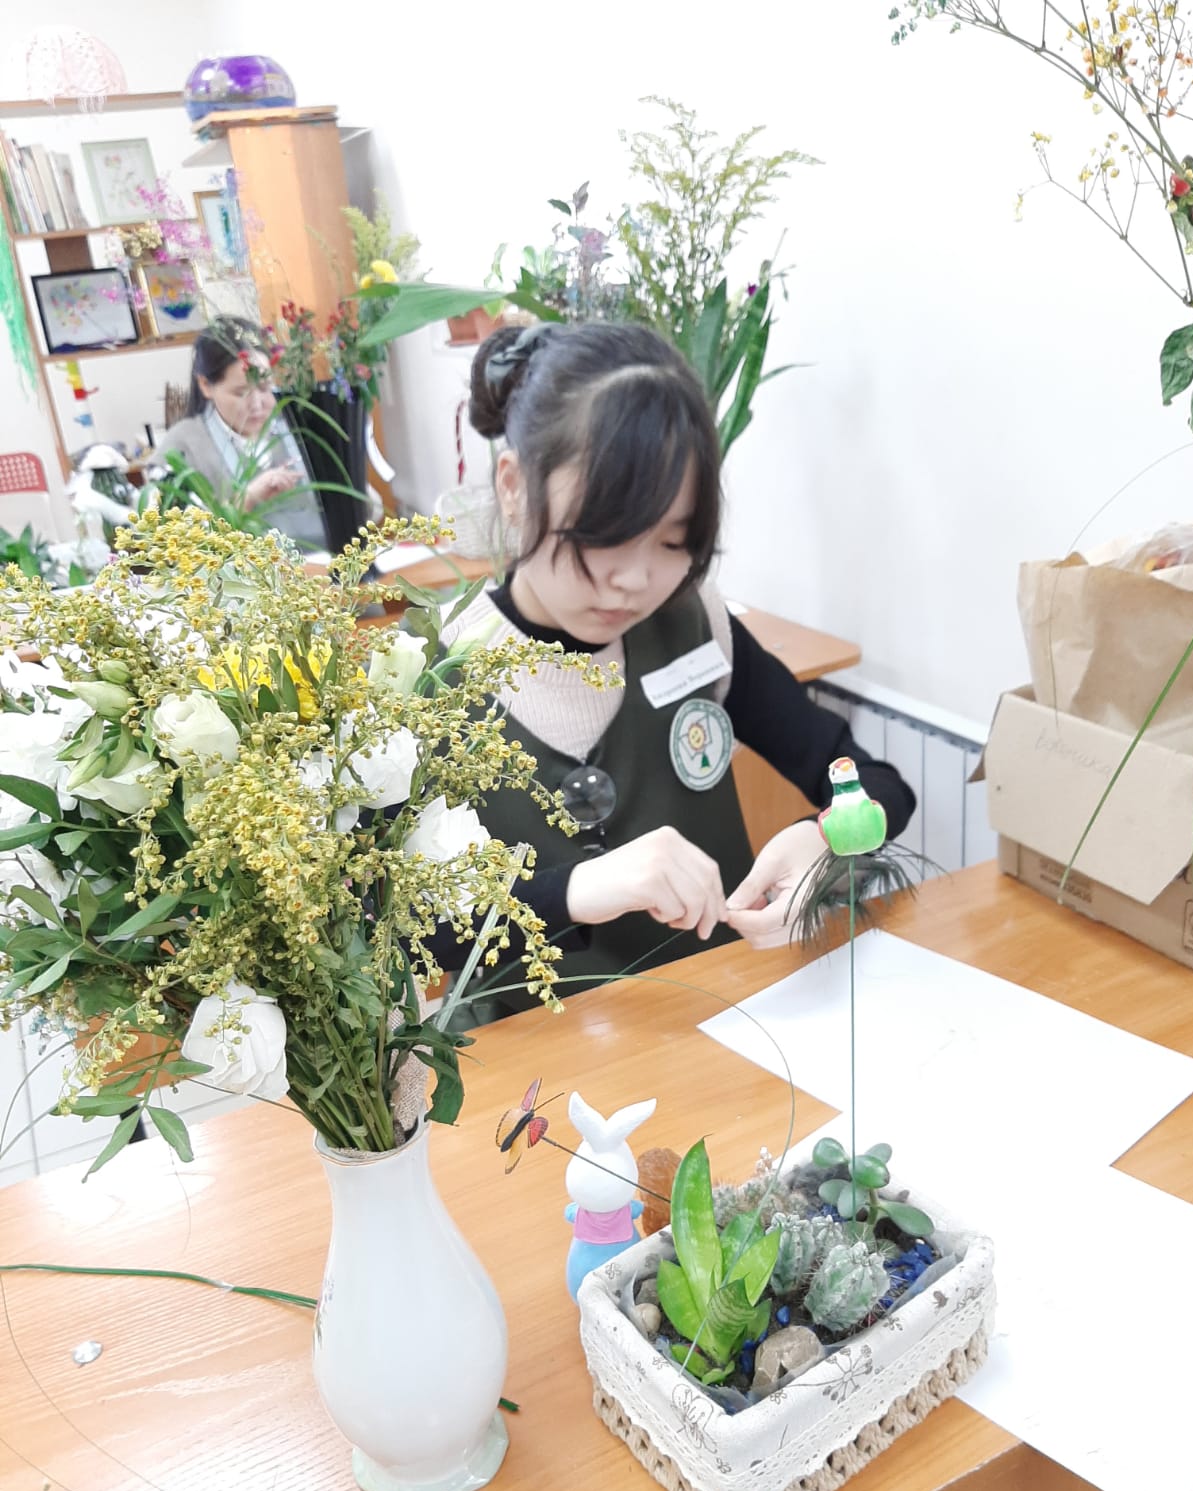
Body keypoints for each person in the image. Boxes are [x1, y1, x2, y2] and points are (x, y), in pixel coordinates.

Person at [441, 321, 916, 1005]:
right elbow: (402, 927)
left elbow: (878, 783)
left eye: (672, 542)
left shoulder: (695, 627)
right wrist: (576, 890)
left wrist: (825, 838)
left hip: (725, 1018)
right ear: (514, 487)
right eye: (603, 536)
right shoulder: (435, 676)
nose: (635, 580)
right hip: (536, 1052)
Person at [150, 317, 327, 551]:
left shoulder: (300, 425)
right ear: (205, 385)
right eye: (241, 392)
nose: (257, 404)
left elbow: (363, 507)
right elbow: (169, 542)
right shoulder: (183, 444)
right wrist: (246, 499)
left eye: (265, 387)